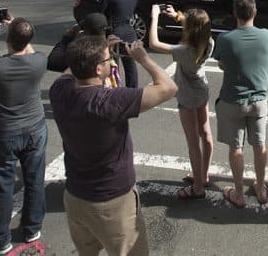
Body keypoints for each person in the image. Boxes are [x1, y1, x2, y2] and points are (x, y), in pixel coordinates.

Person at [50, 34, 176, 256]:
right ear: (98, 69)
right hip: (112, 202)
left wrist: (94, 52)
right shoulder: (110, 101)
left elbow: (71, 71)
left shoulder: (59, 91)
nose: (110, 62)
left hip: (75, 197)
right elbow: (168, 88)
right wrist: (142, 58)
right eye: (107, 60)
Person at [0, 14, 48, 254]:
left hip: (6, 132)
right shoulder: (39, 61)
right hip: (35, 129)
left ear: (8, 39)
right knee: (34, 180)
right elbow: (28, 48)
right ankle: (32, 227)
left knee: (3, 185)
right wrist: (21, 29)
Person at [213, 0, 268, 209]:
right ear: (254, 12)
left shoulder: (225, 39)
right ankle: (261, 188)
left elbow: (221, 63)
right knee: (259, 145)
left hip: (232, 101)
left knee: (236, 147)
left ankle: (238, 193)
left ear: (234, 13)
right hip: (259, 100)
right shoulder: (267, 36)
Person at [147, 4, 215, 200]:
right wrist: (177, 16)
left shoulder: (184, 50)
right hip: (202, 90)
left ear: (190, 29)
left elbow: (154, 43)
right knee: (205, 132)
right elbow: (199, 26)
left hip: (187, 94)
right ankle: (204, 174)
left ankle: (198, 187)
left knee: (192, 142)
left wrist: (155, 16)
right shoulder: (209, 42)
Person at [100, 0, 140, 88]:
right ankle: (132, 92)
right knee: (130, 65)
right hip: (130, 29)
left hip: (114, 31)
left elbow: (101, 11)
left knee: (112, 65)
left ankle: (115, 93)